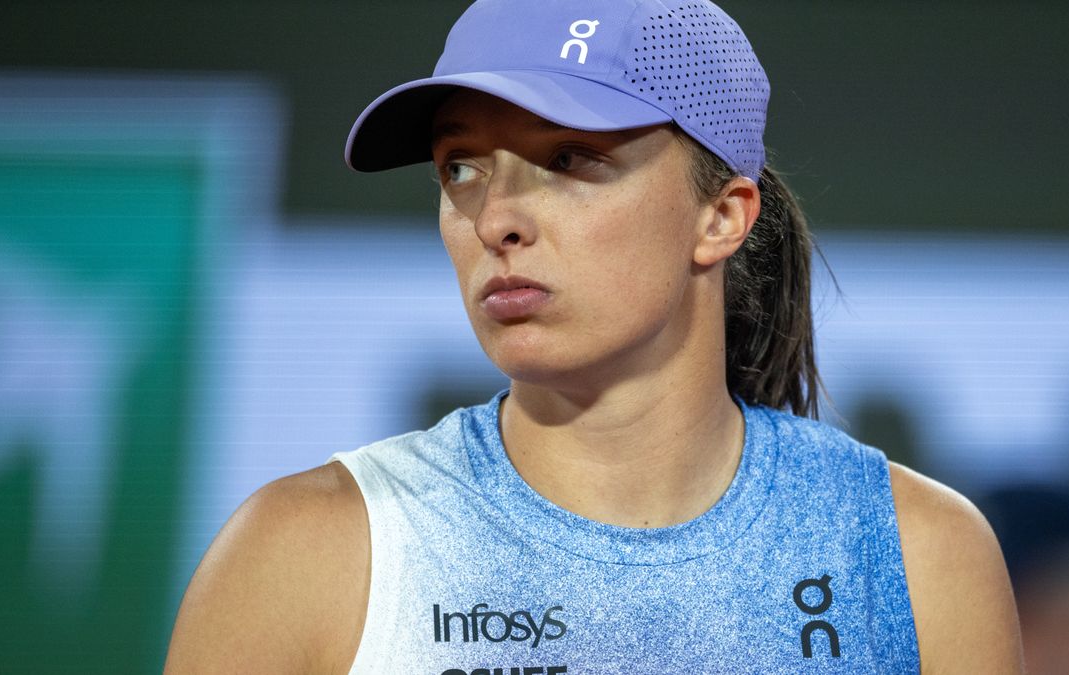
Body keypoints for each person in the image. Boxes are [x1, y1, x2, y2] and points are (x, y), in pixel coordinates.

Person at [165, 0, 1023, 672]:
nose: (495, 216)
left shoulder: (915, 558)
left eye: (571, 159)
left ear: (722, 215)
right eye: (460, 166)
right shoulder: (306, 551)